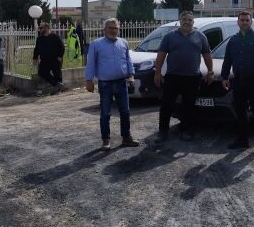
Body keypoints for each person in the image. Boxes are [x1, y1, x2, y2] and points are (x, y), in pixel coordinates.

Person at [153, 11, 215, 142]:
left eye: (189, 20)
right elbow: (161, 55)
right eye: (184, 19)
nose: (187, 22)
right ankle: (163, 132)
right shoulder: (169, 36)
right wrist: (157, 73)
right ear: (179, 21)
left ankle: (186, 131)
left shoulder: (200, 36)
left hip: (192, 78)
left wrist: (210, 72)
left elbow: (207, 55)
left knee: (189, 106)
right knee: (166, 105)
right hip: (172, 77)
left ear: (193, 22)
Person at [221, 11, 254, 155]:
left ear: (251, 22)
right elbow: (227, 59)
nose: (244, 22)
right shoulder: (233, 40)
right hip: (238, 80)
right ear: (238, 22)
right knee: (240, 111)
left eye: (246, 20)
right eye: (242, 20)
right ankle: (243, 140)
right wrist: (224, 77)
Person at [85, 18, 140, 151]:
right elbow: (90, 63)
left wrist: (131, 75)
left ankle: (126, 137)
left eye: (116, 28)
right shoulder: (96, 44)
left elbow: (128, 60)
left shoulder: (123, 42)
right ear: (105, 29)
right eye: (110, 28)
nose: (113, 30)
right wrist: (89, 80)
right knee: (105, 113)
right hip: (105, 85)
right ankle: (106, 140)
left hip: (121, 83)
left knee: (125, 112)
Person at [33, 22, 65, 93]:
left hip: (55, 59)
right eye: (39, 28)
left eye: (41, 28)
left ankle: (58, 89)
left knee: (57, 73)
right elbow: (37, 49)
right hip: (45, 60)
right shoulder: (39, 39)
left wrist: (60, 56)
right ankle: (57, 84)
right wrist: (35, 58)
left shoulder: (55, 37)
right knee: (41, 72)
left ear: (46, 28)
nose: (39, 29)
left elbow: (62, 47)